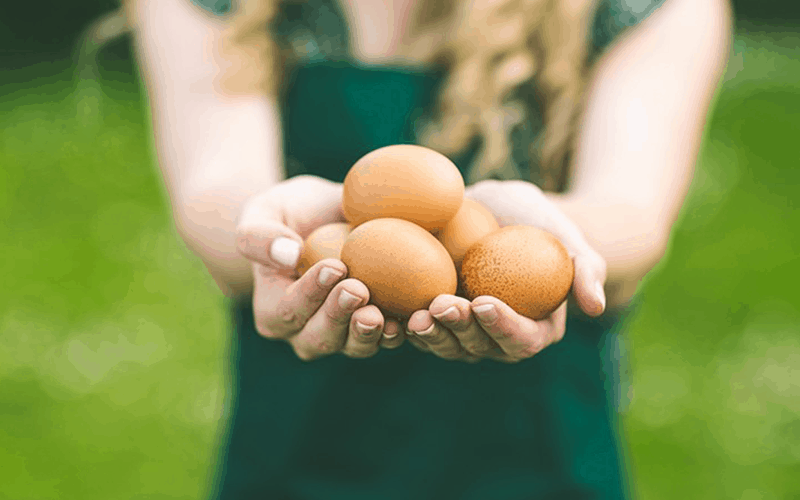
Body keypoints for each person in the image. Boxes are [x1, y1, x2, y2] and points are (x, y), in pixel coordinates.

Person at [116, 0, 731, 497]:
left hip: (534, 449)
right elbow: (215, 186)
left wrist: (533, 238)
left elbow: (631, 212)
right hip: (301, 443)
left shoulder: (634, 8)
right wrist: (279, 235)